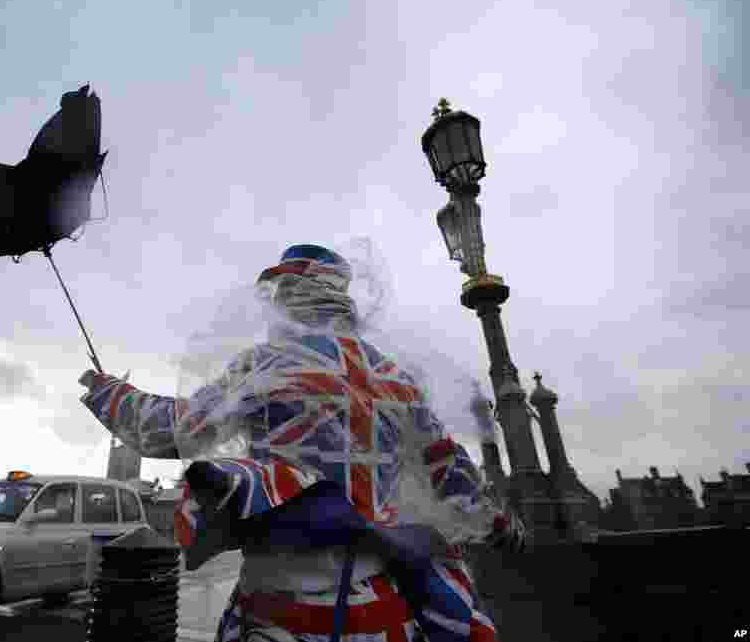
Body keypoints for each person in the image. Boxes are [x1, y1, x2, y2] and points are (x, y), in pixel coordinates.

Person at [79, 244, 525, 642]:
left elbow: (170, 430)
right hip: (387, 611)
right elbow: (451, 472)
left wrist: (107, 391)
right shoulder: (393, 376)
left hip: (282, 614)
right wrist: (503, 523)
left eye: (282, 288)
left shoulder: (267, 365)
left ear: (295, 292)